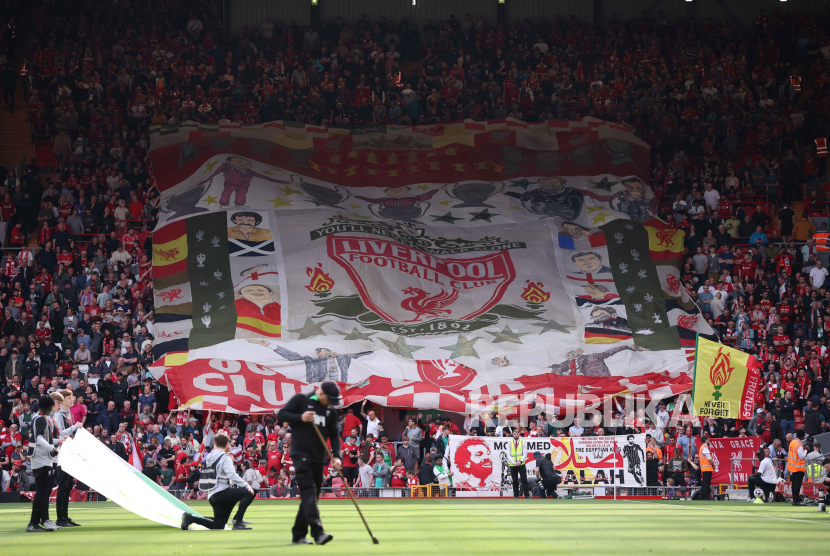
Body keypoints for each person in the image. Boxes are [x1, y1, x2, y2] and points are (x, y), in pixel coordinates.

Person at [276, 381, 342, 545]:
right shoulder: (301, 400)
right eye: (329, 400)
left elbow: (334, 435)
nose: (331, 404)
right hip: (300, 454)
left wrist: (337, 456)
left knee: (311, 497)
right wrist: (300, 417)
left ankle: (298, 535)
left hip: (318, 458)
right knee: (308, 491)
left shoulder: (330, 411)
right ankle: (318, 533)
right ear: (321, 394)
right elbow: (281, 415)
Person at [180, 433, 255, 530]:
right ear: (227, 444)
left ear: (214, 443)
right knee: (249, 493)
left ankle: (191, 518)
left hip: (212, 495)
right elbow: (232, 475)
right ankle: (238, 522)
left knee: (219, 525)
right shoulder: (225, 457)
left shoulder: (209, 457)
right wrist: (246, 486)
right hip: (222, 492)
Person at [26, 394, 62, 532]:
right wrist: (51, 448)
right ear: (48, 407)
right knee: (42, 491)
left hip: (41, 457)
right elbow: (39, 438)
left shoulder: (38, 418)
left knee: (44, 491)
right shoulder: (41, 419)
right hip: (41, 458)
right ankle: (33, 523)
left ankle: (40, 521)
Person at [53, 389, 83, 527]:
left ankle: (65, 516)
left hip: (69, 452)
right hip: (61, 454)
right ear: (63, 399)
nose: (73, 400)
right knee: (63, 485)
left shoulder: (69, 413)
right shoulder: (59, 414)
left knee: (68, 484)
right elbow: (59, 433)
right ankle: (60, 518)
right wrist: (74, 427)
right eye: (70, 398)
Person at [505, 428, 530, 498]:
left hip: (521, 464)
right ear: (513, 435)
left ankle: (527, 495)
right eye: (514, 434)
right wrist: (514, 462)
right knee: (515, 480)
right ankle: (516, 495)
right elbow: (508, 455)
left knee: (524, 479)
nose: (516, 435)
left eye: (517, 434)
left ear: (519, 434)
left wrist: (520, 461)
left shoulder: (523, 442)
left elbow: (525, 453)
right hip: (513, 464)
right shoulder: (509, 444)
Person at [788, 428, 807, 506]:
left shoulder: (792, 442)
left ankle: (795, 499)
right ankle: (796, 501)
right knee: (797, 485)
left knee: (794, 484)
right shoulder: (799, 444)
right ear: (803, 436)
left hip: (793, 467)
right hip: (799, 467)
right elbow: (801, 456)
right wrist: (805, 450)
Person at [698, 436, 715, 500]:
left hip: (704, 468)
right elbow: (709, 458)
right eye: (708, 440)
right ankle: (706, 496)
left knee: (705, 483)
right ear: (706, 440)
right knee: (706, 483)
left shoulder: (702, 448)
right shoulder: (704, 448)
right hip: (707, 468)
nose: (709, 441)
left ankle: (703, 496)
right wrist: (713, 464)